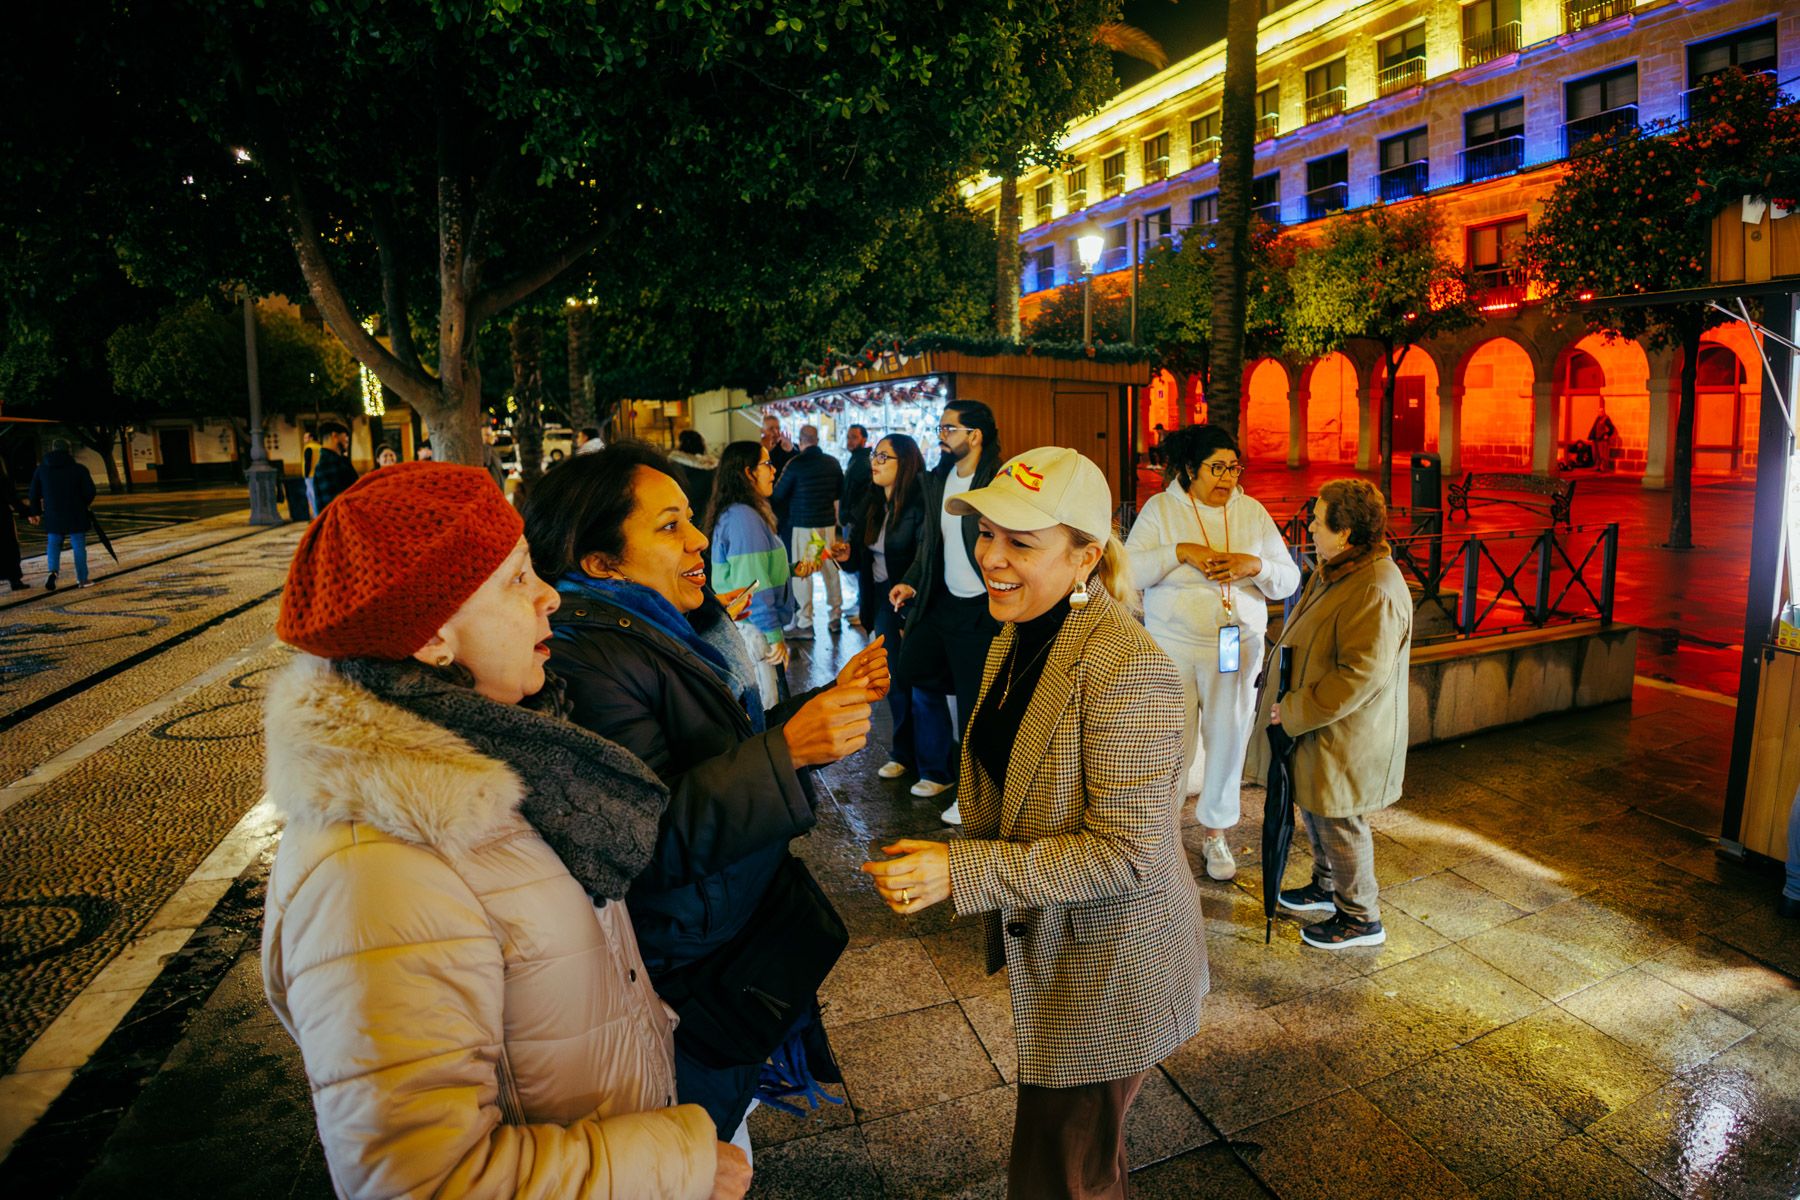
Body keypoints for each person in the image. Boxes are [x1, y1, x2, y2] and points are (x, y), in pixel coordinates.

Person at [261, 461, 747, 1200]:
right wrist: (678, 1165)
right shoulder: (374, 872)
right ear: (433, 638)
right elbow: (419, 1182)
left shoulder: (515, 754)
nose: (550, 594)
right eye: (519, 578)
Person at [861, 447, 1207, 1200]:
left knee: (1058, 1176)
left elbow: (1126, 853)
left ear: (1086, 556)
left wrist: (960, 871)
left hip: (1112, 965)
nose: (991, 557)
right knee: (1080, 1164)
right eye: (986, 533)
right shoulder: (1017, 632)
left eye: (1021, 542)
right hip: (1058, 945)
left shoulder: (1128, 669)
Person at [521, 441, 886, 1154]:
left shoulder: (661, 626)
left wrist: (812, 715)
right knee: (698, 1153)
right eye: (668, 526)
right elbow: (644, 837)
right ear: (600, 562)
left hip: (722, 926)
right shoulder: (585, 659)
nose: (698, 539)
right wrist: (789, 750)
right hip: (683, 962)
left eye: (690, 518)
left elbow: (719, 748)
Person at [1126, 426, 1298, 881]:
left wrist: (1254, 565)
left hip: (1236, 648)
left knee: (1229, 737)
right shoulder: (1161, 509)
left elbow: (1288, 579)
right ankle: (1161, 832)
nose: (1227, 478)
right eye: (1216, 468)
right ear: (1190, 469)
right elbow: (1129, 571)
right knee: (1170, 742)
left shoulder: (1252, 511)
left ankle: (1216, 831)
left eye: (1233, 468)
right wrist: (1180, 551)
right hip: (1173, 647)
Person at [1261, 478, 1414, 950]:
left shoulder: (1374, 587)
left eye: (1317, 520)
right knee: (1318, 805)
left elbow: (1359, 675)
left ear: (1344, 532)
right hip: (1323, 726)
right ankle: (1327, 886)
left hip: (1345, 731)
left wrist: (1294, 710)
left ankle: (1360, 917)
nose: (1309, 526)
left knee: (1339, 818)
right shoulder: (1340, 570)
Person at [888, 398, 1003, 819]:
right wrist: (912, 581)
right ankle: (940, 769)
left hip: (981, 609)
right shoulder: (940, 478)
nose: (941, 436)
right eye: (940, 428)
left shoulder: (996, 481)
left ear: (975, 435)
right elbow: (931, 544)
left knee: (974, 707)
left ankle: (972, 797)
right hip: (942, 601)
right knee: (914, 669)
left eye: (949, 429)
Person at [830, 434, 953, 792]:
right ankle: (903, 754)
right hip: (883, 601)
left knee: (922, 685)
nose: (875, 462)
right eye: (874, 454)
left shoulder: (920, 504)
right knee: (894, 683)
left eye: (885, 456)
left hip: (916, 602)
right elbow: (861, 559)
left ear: (906, 462)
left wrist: (910, 603)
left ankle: (937, 770)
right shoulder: (872, 504)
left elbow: (925, 560)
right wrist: (846, 557)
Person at [704, 441, 819, 706]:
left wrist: (792, 570)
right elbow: (753, 584)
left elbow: (756, 569)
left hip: (752, 624)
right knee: (767, 706)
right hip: (754, 627)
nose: (773, 470)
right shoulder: (743, 517)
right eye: (766, 464)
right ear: (748, 473)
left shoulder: (742, 513)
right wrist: (774, 636)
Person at [771, 424, 845, 636]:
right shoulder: (833, 463)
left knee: (804, 572)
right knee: (830, 570)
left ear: (801, 441)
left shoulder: (795, 464)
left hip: (805, 527)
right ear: (817, 440)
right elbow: (840, 492)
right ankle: (835, 616)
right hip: (826, 526)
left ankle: (805, 622)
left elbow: (778, 494)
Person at [26, 438, 97, 591]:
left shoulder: (41, 470)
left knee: (53, 543)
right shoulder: (79, 469)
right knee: (78, 546)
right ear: (68, 450)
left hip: (53, 513)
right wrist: (83, 504)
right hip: (76, 513)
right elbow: (90, 491)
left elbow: (33, 493)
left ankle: (53, 572)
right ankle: (82, 579)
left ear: (52, 449)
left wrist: (36, 512)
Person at [839, 424, 872, 626]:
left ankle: (862, 606)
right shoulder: (856, 459)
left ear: (864, 439)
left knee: (858, 562)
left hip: (856, 520)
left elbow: (863, 494)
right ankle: (860, 603)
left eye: (854, 437)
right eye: (849, 437)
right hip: (851, 518)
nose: (850, 441)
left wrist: (853, 515)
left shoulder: (863, 462)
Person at [310, 422, 358, 514]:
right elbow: (338, 501)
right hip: (344, 516)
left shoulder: (325, 464)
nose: (347, 441)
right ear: (335, 436)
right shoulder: (331, 463)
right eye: (345, 437)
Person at [669, 429, 719, 511]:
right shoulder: (713, 467)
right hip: (708, 512)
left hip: (683, 512)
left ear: (681, 444)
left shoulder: (673, 467)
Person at [2, 459, 30, 590]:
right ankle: (14, 579)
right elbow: (11, 497)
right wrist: (27, 512)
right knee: (8, 548)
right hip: (2, 518)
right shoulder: (2, 479)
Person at [1588, 406, 1620, 473]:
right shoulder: (1598, 418)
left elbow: (1611, 428)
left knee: (1603, 454)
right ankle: (1597, 466)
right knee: (1597, 454)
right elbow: (1594, 428)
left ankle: (1603, 467)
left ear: (1604, 412)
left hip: (1602, 439)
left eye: (1602, 411)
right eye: (1599, 411)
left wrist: (1607, 435)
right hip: (1596, 439)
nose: (1600, 413)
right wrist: (1592, 436)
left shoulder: (1606, 419)